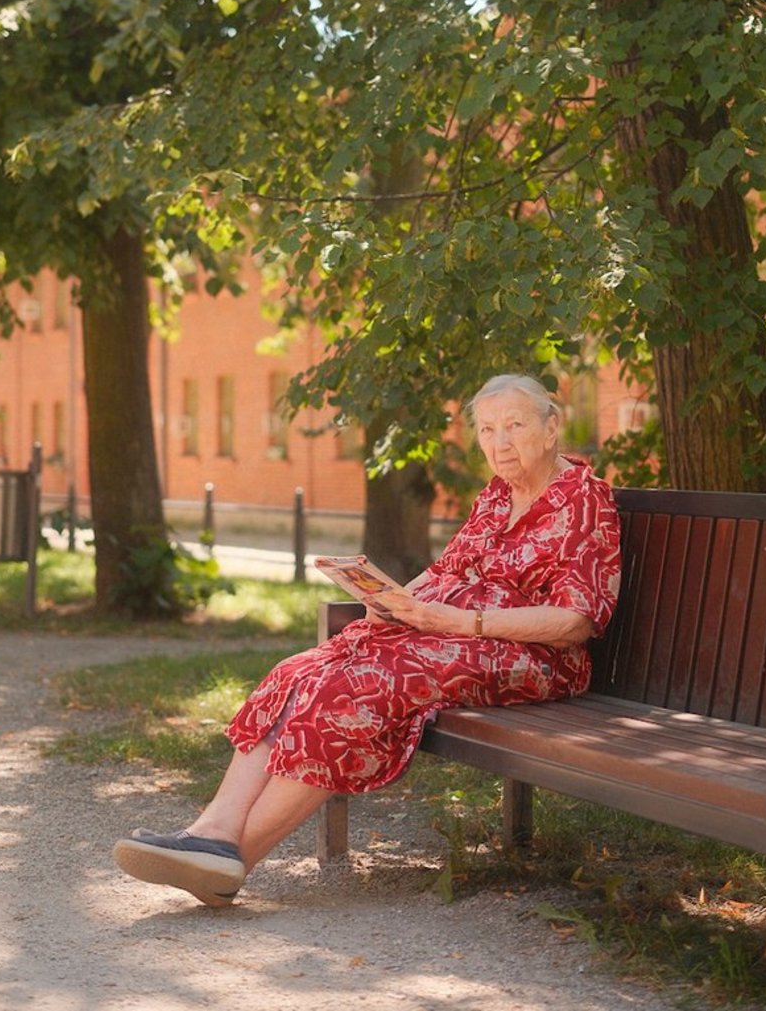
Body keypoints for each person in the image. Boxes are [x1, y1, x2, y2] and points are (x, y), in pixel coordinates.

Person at [114, 373, 622, 906]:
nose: (499, 442)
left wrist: (455, 622)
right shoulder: (496, 497)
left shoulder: (583, 501)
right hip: (450, 638)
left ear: (551, 427)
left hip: (531, 656)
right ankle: (212, 834)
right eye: (488, 429)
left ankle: (229, 859)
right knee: (301, 670)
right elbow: (447, 569)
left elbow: (575, 621)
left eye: (514, 426)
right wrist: (394, 604)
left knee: (355, 689)